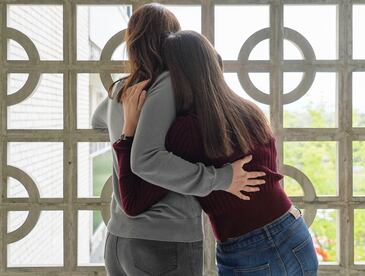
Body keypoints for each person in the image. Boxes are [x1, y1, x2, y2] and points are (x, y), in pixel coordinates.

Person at [114, 31, 319, 275]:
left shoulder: (186, 130)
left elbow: (133, 201)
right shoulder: (249, 111)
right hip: (293, 230)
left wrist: (128, 134)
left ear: (173, 75)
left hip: (249, 250)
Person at [91, 4, 265, 276]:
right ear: (171, 39)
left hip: (117, 240)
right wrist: (221, 178)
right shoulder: (172, 85)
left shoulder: (121, 88)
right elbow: (148, 159)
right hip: (163, 243)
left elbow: (96, 121)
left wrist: (125, 121)